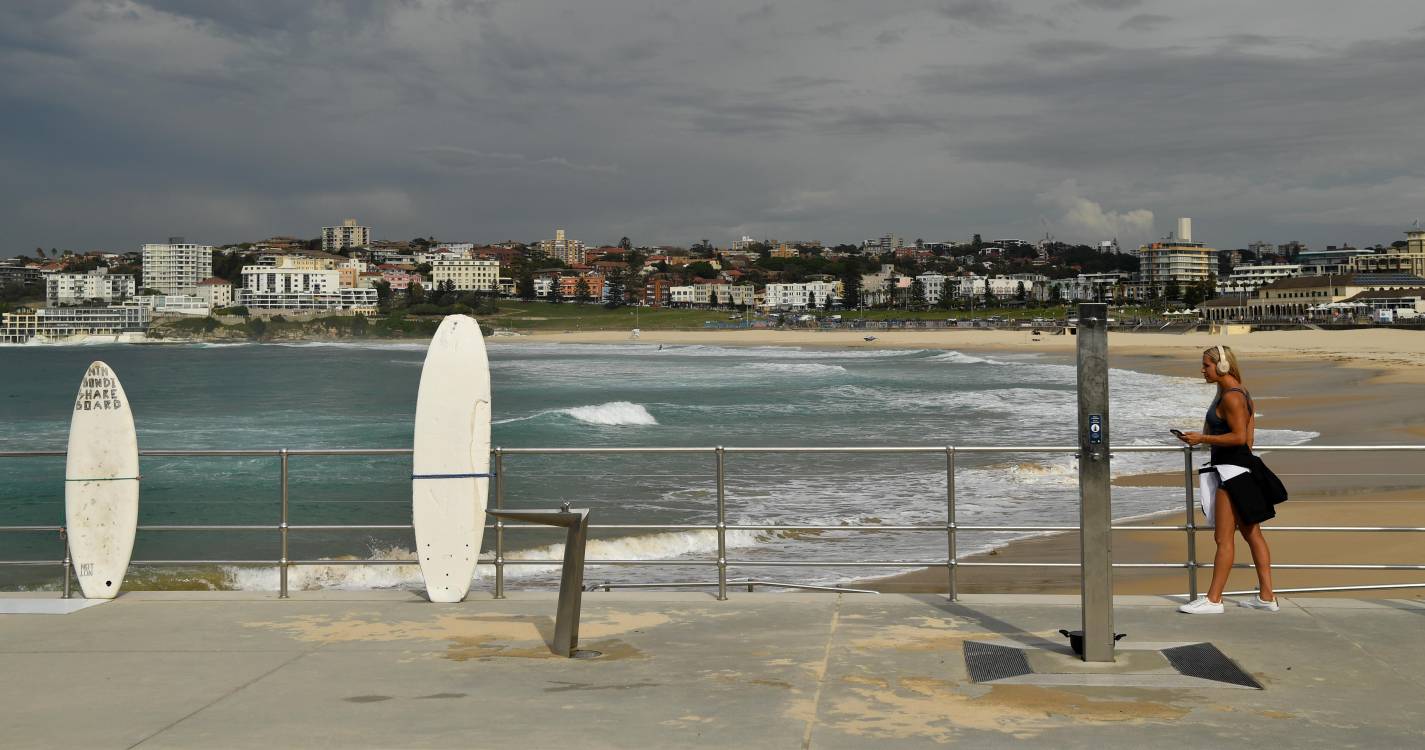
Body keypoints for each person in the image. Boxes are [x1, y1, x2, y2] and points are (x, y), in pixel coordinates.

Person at [1175, 344, 1284, 614]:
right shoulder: (1238, 391)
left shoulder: (1232, 397)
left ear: (1222, 365)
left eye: (1207, 365)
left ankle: (1214, 599)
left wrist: (1202, 438)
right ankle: (1267, 597)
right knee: (1252, 534)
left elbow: (1237, 437)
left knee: (1224, 539)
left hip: (1231, 473)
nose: (1203, 370)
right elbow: (1249, 439)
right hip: (1240, 469)